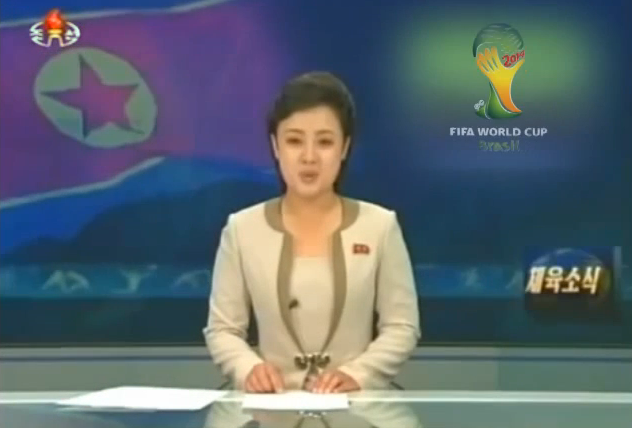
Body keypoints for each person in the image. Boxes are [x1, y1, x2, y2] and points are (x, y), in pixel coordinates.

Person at [203, 71, 420, 393]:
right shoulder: (241, 229)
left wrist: (359, 374)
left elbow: (402, 326)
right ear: (276, 146)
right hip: (271, 406)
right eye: (294, 141)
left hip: (355, 406)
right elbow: (223, 329)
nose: (308, 157)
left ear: (344, 147)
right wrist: (249, 369)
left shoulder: (379, 226)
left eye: (324, 142)